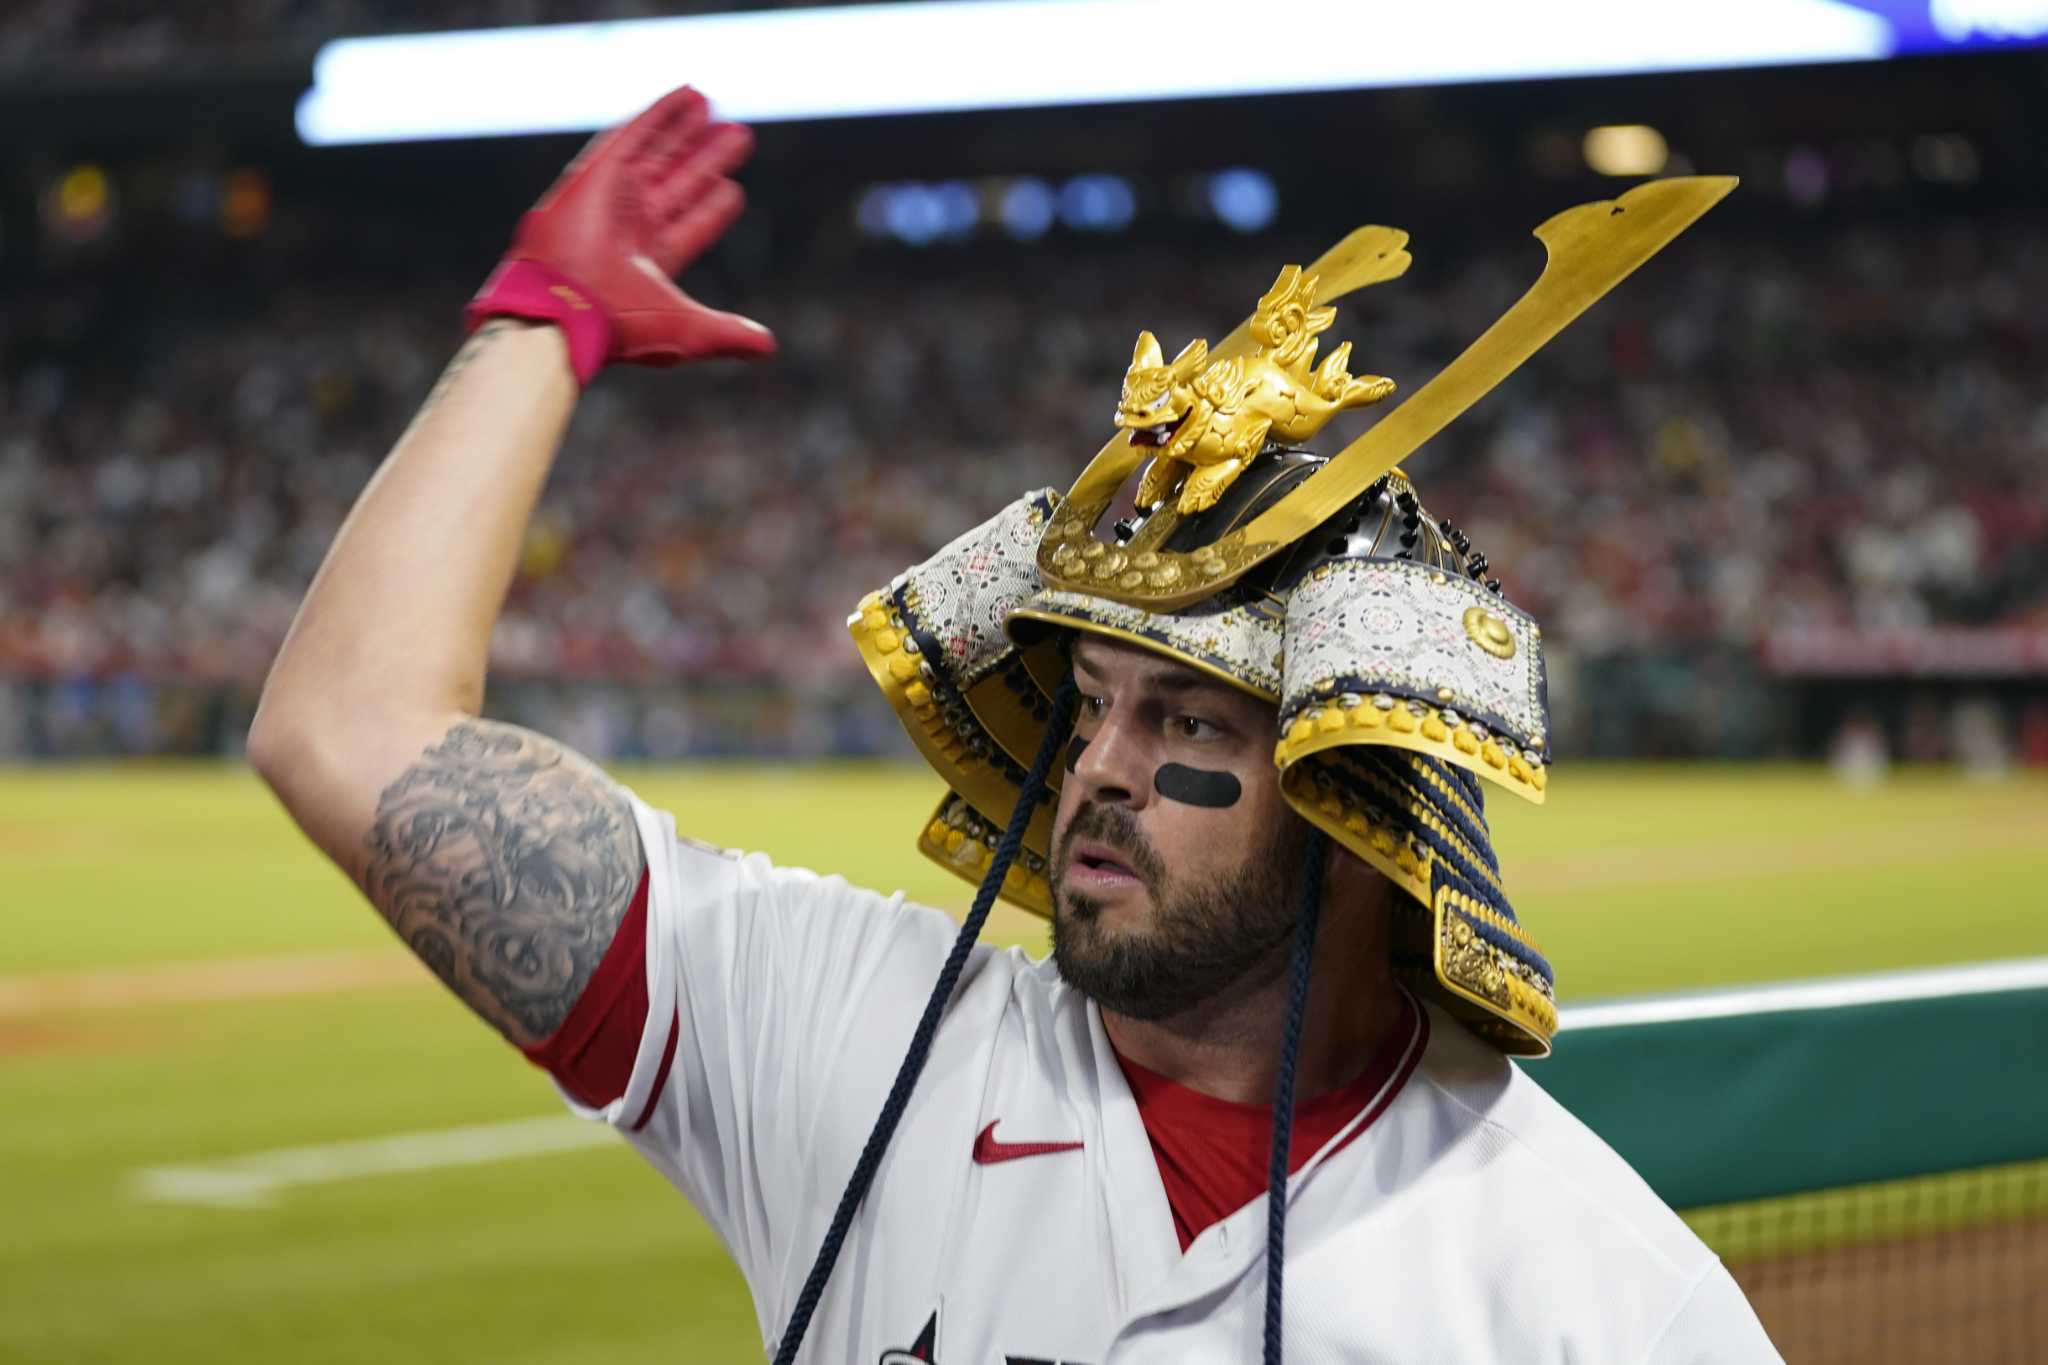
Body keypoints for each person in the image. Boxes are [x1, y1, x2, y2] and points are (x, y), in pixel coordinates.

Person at [250, 87, 1781, 1363]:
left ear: (1358, 791)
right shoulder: (844, 1032)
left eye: (1186, 717)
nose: (1101, 765)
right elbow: (346, 732)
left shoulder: (1603, 1301)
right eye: (1093, 702)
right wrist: (542, 320)